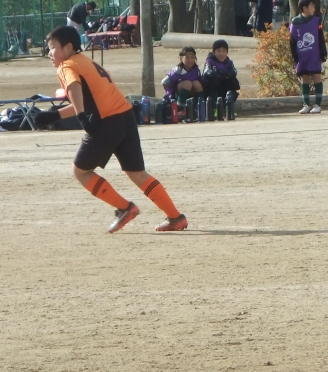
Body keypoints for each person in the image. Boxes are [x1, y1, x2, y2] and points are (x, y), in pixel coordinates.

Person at [34, 26, 187, 232]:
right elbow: (86, 100)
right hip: (126, 116)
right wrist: (54, 115)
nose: (49, 53)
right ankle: (176, 217)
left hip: (107, 121)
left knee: (81, 172)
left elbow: (74, 89)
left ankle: (125, 208)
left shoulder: (66, 65)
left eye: (52, 47)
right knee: (138, 174)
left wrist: (82, 118)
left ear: (68, 47)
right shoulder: (88, 62)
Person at [290, 0, 328, 114]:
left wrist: (323, 53)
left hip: (314, 55)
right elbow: (292, 41)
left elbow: (320, 38)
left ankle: (318, 104)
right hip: (302, 56)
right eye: (311, 6)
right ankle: (306, 104)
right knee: (304, 78)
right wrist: (294, 56)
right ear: (304, 8)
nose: (314, 8)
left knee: (317, 77)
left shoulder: (316, 21)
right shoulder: (295, 22)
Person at [201, 39, 240, 121]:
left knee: (233, 83)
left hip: (223, 85)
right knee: (214, 82)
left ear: (227, 52)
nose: (221, 54)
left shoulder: (228, 62)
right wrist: (219, 74)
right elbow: (207, 73)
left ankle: (227, 108)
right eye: (218, 51)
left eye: (224, 51)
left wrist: (225, 74)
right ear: (214, 52)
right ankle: (214, 108)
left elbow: (234, 72)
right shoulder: (210, 61)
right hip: (211, 88)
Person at [162, 47, 204, 122]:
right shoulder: (177, 71)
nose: (190, 60)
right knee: (188, 83)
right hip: (176, 94)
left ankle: (199, 107)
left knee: (197, 84)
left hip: (190, 94)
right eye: (187, 57)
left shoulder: (196, 70)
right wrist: (171, 94)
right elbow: (164, 82)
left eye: (192, 57)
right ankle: (180, 109)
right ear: (181, 58)